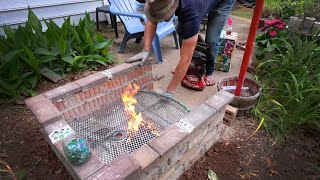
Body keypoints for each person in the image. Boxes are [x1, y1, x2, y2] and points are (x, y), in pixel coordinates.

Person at [126, 0, 235, 97]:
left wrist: (169, 92)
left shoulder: (191, 12)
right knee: (181, 30)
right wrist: (145, 50)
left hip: (223, 2)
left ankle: (209, 72)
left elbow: (186, 59)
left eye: (161, 16)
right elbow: (152, 20)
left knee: (212, 38)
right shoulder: (159, 2)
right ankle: (183, 70)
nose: (160, 20)